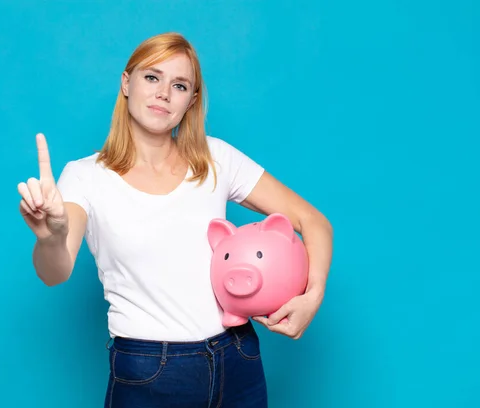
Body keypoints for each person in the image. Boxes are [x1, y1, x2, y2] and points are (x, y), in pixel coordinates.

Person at [17, 32, 333, 408]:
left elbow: (314, 222)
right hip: (149, 372)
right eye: (152, 77)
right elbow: (55, 272)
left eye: (179, 85)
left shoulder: (216, 158)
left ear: (191, 100)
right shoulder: (85, 176)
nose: (164, 92)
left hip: (238, 358)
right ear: (126, 83)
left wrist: (311, 298)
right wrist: (50, 237)